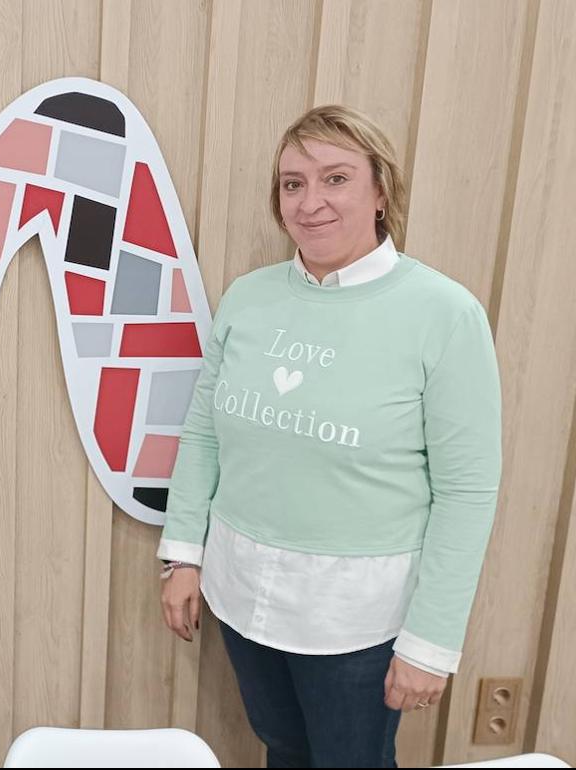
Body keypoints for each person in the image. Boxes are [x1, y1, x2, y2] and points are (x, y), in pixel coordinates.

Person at [158, 105, 501, 768]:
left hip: (357, 620)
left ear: (381, 192)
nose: (310, 202)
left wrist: (429, 643)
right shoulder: (250, 298)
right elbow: (204, 432)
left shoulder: (444, 314)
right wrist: (184, 556)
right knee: (282, 747)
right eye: (292, 183)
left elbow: (467, 489)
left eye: (335, 178)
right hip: (242, 591)